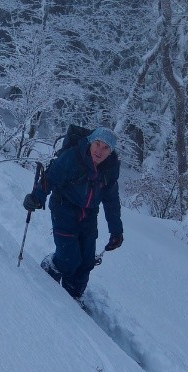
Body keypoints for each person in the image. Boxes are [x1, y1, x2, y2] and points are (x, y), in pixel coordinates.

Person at [23, 126, 124, 301]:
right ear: (91, 142)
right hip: (64, 208)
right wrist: (37, 198)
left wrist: (116, 231)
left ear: (111, 152)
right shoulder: (73, 157)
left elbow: (111, 201)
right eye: (97, 144)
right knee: (69, 258)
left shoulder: (110, 170)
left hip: (89, 214)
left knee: (86, 262)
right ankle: (49, 268)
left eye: (106, 148)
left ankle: (73, 297)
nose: (99, 150)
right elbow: (51, 178)